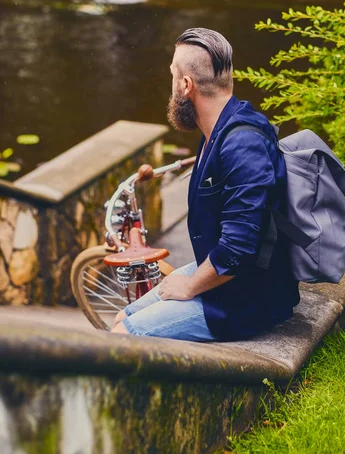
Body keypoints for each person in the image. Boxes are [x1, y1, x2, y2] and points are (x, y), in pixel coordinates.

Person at [112, 27, 299, 341]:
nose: (171, 85)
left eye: (173, 75)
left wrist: (189, 286)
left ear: (185, 85)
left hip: (247, 299)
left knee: (120, 337)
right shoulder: (221, 128)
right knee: (123, 315)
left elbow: (239, 247)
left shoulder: (242, 145)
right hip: (228, 282)